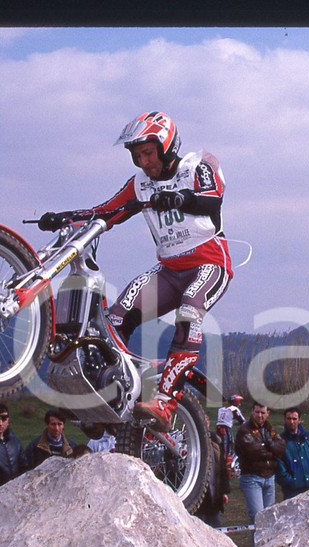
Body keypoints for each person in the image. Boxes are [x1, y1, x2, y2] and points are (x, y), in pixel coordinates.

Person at [37, 111, 232, 433]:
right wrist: (65, 217)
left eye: (148, 153)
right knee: (114, 319)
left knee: (189, 311)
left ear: (167, 146)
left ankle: (166, 402)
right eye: (137, 156)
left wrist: (179, 198)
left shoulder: (197, 166)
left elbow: (211, 200)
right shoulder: (140, 184)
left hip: (210, 264)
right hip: (169, 269)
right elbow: (106, 212)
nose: (143, 162)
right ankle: (110, 391)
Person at [235, 402, 286, 525]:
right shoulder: (244, 430)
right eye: (257, 412)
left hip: (269, 477)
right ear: (252, 412)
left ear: (268, 413)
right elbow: (254, 452)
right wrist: (272, 450)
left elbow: (282, 447)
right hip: (252, 478)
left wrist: (268, 445)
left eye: (263, 412)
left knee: (269, 517)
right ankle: (256, 539)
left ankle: (268, 539)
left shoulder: (270, 429)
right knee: (258, 517)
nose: (260, 415)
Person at [276, 406, 309, 501]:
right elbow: (279, 469)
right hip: (292, 491)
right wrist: (291, 482)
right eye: (289, 419)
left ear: (299, 420)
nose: (291, 422)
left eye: (294, 419)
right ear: (284, 419)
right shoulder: (280, 442)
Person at [195, 430, 230, 528]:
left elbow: (222, 468)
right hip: (197, 498)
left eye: (206, 423)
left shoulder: (216, 443)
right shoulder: (190, 442)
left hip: (214, 496)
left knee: (216, 527)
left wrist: (224, 491)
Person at [215, 394, 245, 468]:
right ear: (236, 402)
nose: (240, 404)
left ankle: (218, 462)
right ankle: (228, 464)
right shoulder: (234, 409)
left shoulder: (221, 409)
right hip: (226, 429)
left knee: (218, 446)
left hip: (217, 428)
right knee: (229, 444)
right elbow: (242, 420)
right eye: (239, 402)